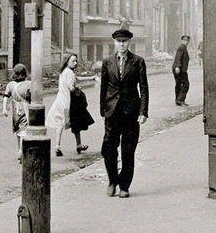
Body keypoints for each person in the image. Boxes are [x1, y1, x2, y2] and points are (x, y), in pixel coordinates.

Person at [100, 28, 149, 198]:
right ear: (114, 42)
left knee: (128, 150)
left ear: (129, 42)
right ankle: (112, 180)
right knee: (108, 148)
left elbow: (143, 88)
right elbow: (103, 87)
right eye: (119, 41)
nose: (121, 44)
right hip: (112, 112)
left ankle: (124, 186)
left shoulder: (138, 61)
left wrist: (143, 112)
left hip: (131, 113)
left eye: (124, 41)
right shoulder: (107, 62)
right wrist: (103, 110)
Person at [46, 53, 95, 157]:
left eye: (76, 61)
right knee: (76, 122)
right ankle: (78, 144)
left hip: (59, 100)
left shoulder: (64, 71)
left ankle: (58, 146)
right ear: (67, 61)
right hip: (68, 102)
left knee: (60, 123)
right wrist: (79, 91)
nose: (75, 63)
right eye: (73, 61)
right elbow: (71, 87)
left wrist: (91, 78)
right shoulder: (69, 73)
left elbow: (77, 78)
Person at [2, 64, 31, 161]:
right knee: (25, 130)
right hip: (25, 108)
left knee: (18, 130)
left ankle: (19, 149)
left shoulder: (10, 85)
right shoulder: (28, 84)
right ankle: (21, 151)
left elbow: (5, 97)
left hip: (15, 109)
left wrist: (4, 109)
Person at [172, 35, 190, 106]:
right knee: (186, 84)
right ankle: (180, 99)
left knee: (178, 84)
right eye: (185, 40)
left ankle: (178, 100)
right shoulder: (181, 48)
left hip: (180, 69)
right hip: (180, 69)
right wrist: (177, 66)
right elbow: (178, 57)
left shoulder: (183, 48)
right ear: (182, 40)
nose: (186, 42)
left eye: (187, 40)